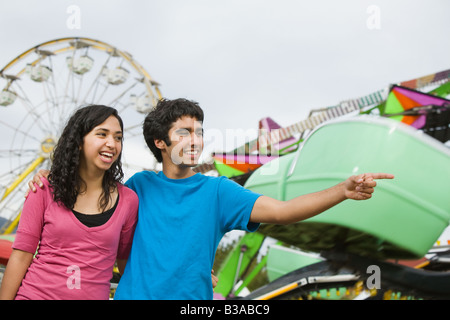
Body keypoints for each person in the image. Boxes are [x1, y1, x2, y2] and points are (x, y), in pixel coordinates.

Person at [27, 98, 394, 300]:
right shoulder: (137, 187)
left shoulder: (218, 192)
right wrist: (43, 175)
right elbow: (87, 183)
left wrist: (341, 191)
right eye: (184, 132)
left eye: (199, 132)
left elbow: (283, 211)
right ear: (161, 142)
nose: (195, 140)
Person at [0, 105, 139, 300]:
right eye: (102, 134)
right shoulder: (44, 188)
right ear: (79, 142)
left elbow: (125, 264)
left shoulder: (128, 201)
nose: (112, 143)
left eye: (118, 137)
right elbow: (21, 256)